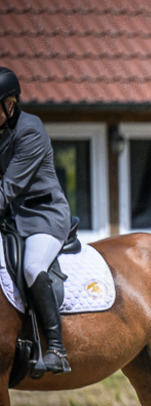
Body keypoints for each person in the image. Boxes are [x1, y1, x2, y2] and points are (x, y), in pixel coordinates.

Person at [0, 66, 73, 373]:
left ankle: (57, 348)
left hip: (44, 217)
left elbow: (8, 188)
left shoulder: (30, 130)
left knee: (32, 266)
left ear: (10, 105)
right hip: (15, 219)